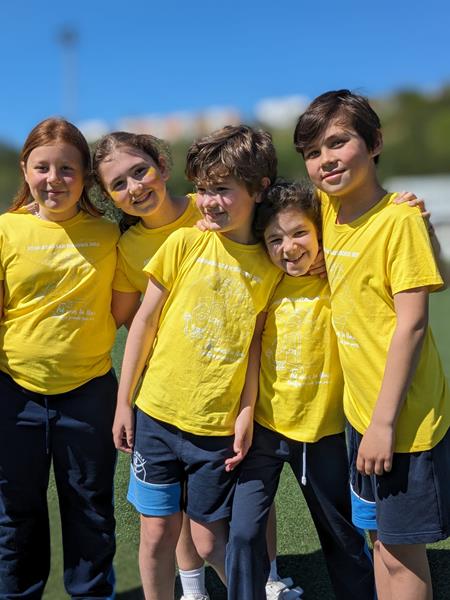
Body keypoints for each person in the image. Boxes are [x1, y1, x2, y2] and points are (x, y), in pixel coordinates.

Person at [111, 125, 282, 600]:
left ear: (259, 188)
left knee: (209, 540)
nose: (208, 201)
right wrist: (124, 403)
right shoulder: (183, 243)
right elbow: (143, 324)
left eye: (222, 189)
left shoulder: (272, 265)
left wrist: (245, 412)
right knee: (156, 535)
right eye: (203, 189)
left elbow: (255, 347)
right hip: (156, 416)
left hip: (215, 429)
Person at [293, 89, 450, 600]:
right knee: (380, 542)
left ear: (375, 142)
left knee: (401, 557)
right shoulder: (327, 208)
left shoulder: (398, 220)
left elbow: (412, 325)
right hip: (361, 415)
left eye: (338, 142)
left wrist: (383, 425)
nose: (325, 159)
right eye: (312, 152)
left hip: (401, 422)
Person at [226, 179, 375, 600]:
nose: (288, 247)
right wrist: (245, 413)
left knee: (343, 537)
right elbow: (254, 346)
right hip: (266, 429)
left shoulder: (338, 276)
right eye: (275, 239)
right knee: (243, 534)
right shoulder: (266, 282)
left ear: (320, 233)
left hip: (324, 434)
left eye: (299, 233)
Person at [0, 118, 120, 599]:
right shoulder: (7, 229)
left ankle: (92, 593)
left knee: (90, 509)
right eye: (42, 167)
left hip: (89, 395)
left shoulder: (110, 234)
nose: (54, 179)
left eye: (67, 169)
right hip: (14, 394)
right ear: (25, 170)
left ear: (86, 174)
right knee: (16, 513)